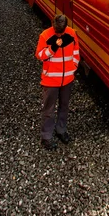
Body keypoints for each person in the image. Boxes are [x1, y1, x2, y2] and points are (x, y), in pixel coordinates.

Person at [35, 14, 80, 150]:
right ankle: (46, 137)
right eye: (57, 31)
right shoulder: (45, 36)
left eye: (61, 31)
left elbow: (76, 52)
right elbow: (39, 55)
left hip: (67, 79)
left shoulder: (72, 34)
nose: (59, 34)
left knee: (64, 107)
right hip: (50, 80)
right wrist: (52, 48)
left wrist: (73, 67)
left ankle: (61, 130)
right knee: (49, 109)